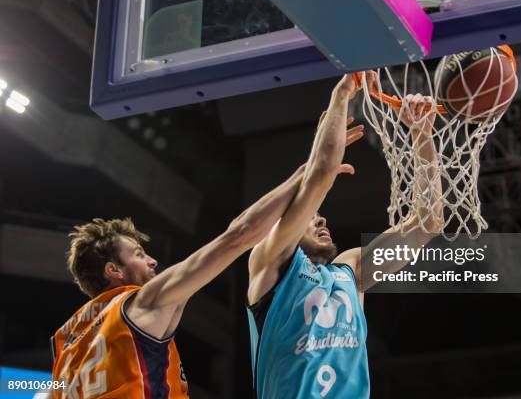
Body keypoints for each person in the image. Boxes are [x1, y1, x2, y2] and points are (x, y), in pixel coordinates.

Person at [246, 72, 444, 398]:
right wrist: (343, 93)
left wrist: (422, 136)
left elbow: (428, 222)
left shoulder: (349, 271)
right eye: (311, 217)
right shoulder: (269, 264)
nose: (322, 220)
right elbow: (318, 179)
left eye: (321, 216)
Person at [48, 164, 308, 398]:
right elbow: (238, 236)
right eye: (139, 254)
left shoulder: (65, 342)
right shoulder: (141, 303)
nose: (152, 261)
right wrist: (306, 172)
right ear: (114, 270)